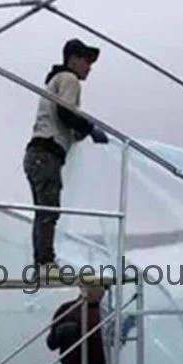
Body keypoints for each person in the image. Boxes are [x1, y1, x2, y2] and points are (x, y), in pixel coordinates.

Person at [23, 38, 109, 275]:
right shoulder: (69, 79)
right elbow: (65, 111)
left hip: (36, 154)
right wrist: (89, 127)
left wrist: (79, 131)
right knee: (49, 209)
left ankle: (42, 261)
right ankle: (45, 264)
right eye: (86, 60)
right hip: (47, 152)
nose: (89, 67)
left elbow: (63, 117)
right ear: (73, 59)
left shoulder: (55, 80)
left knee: (44, 210)